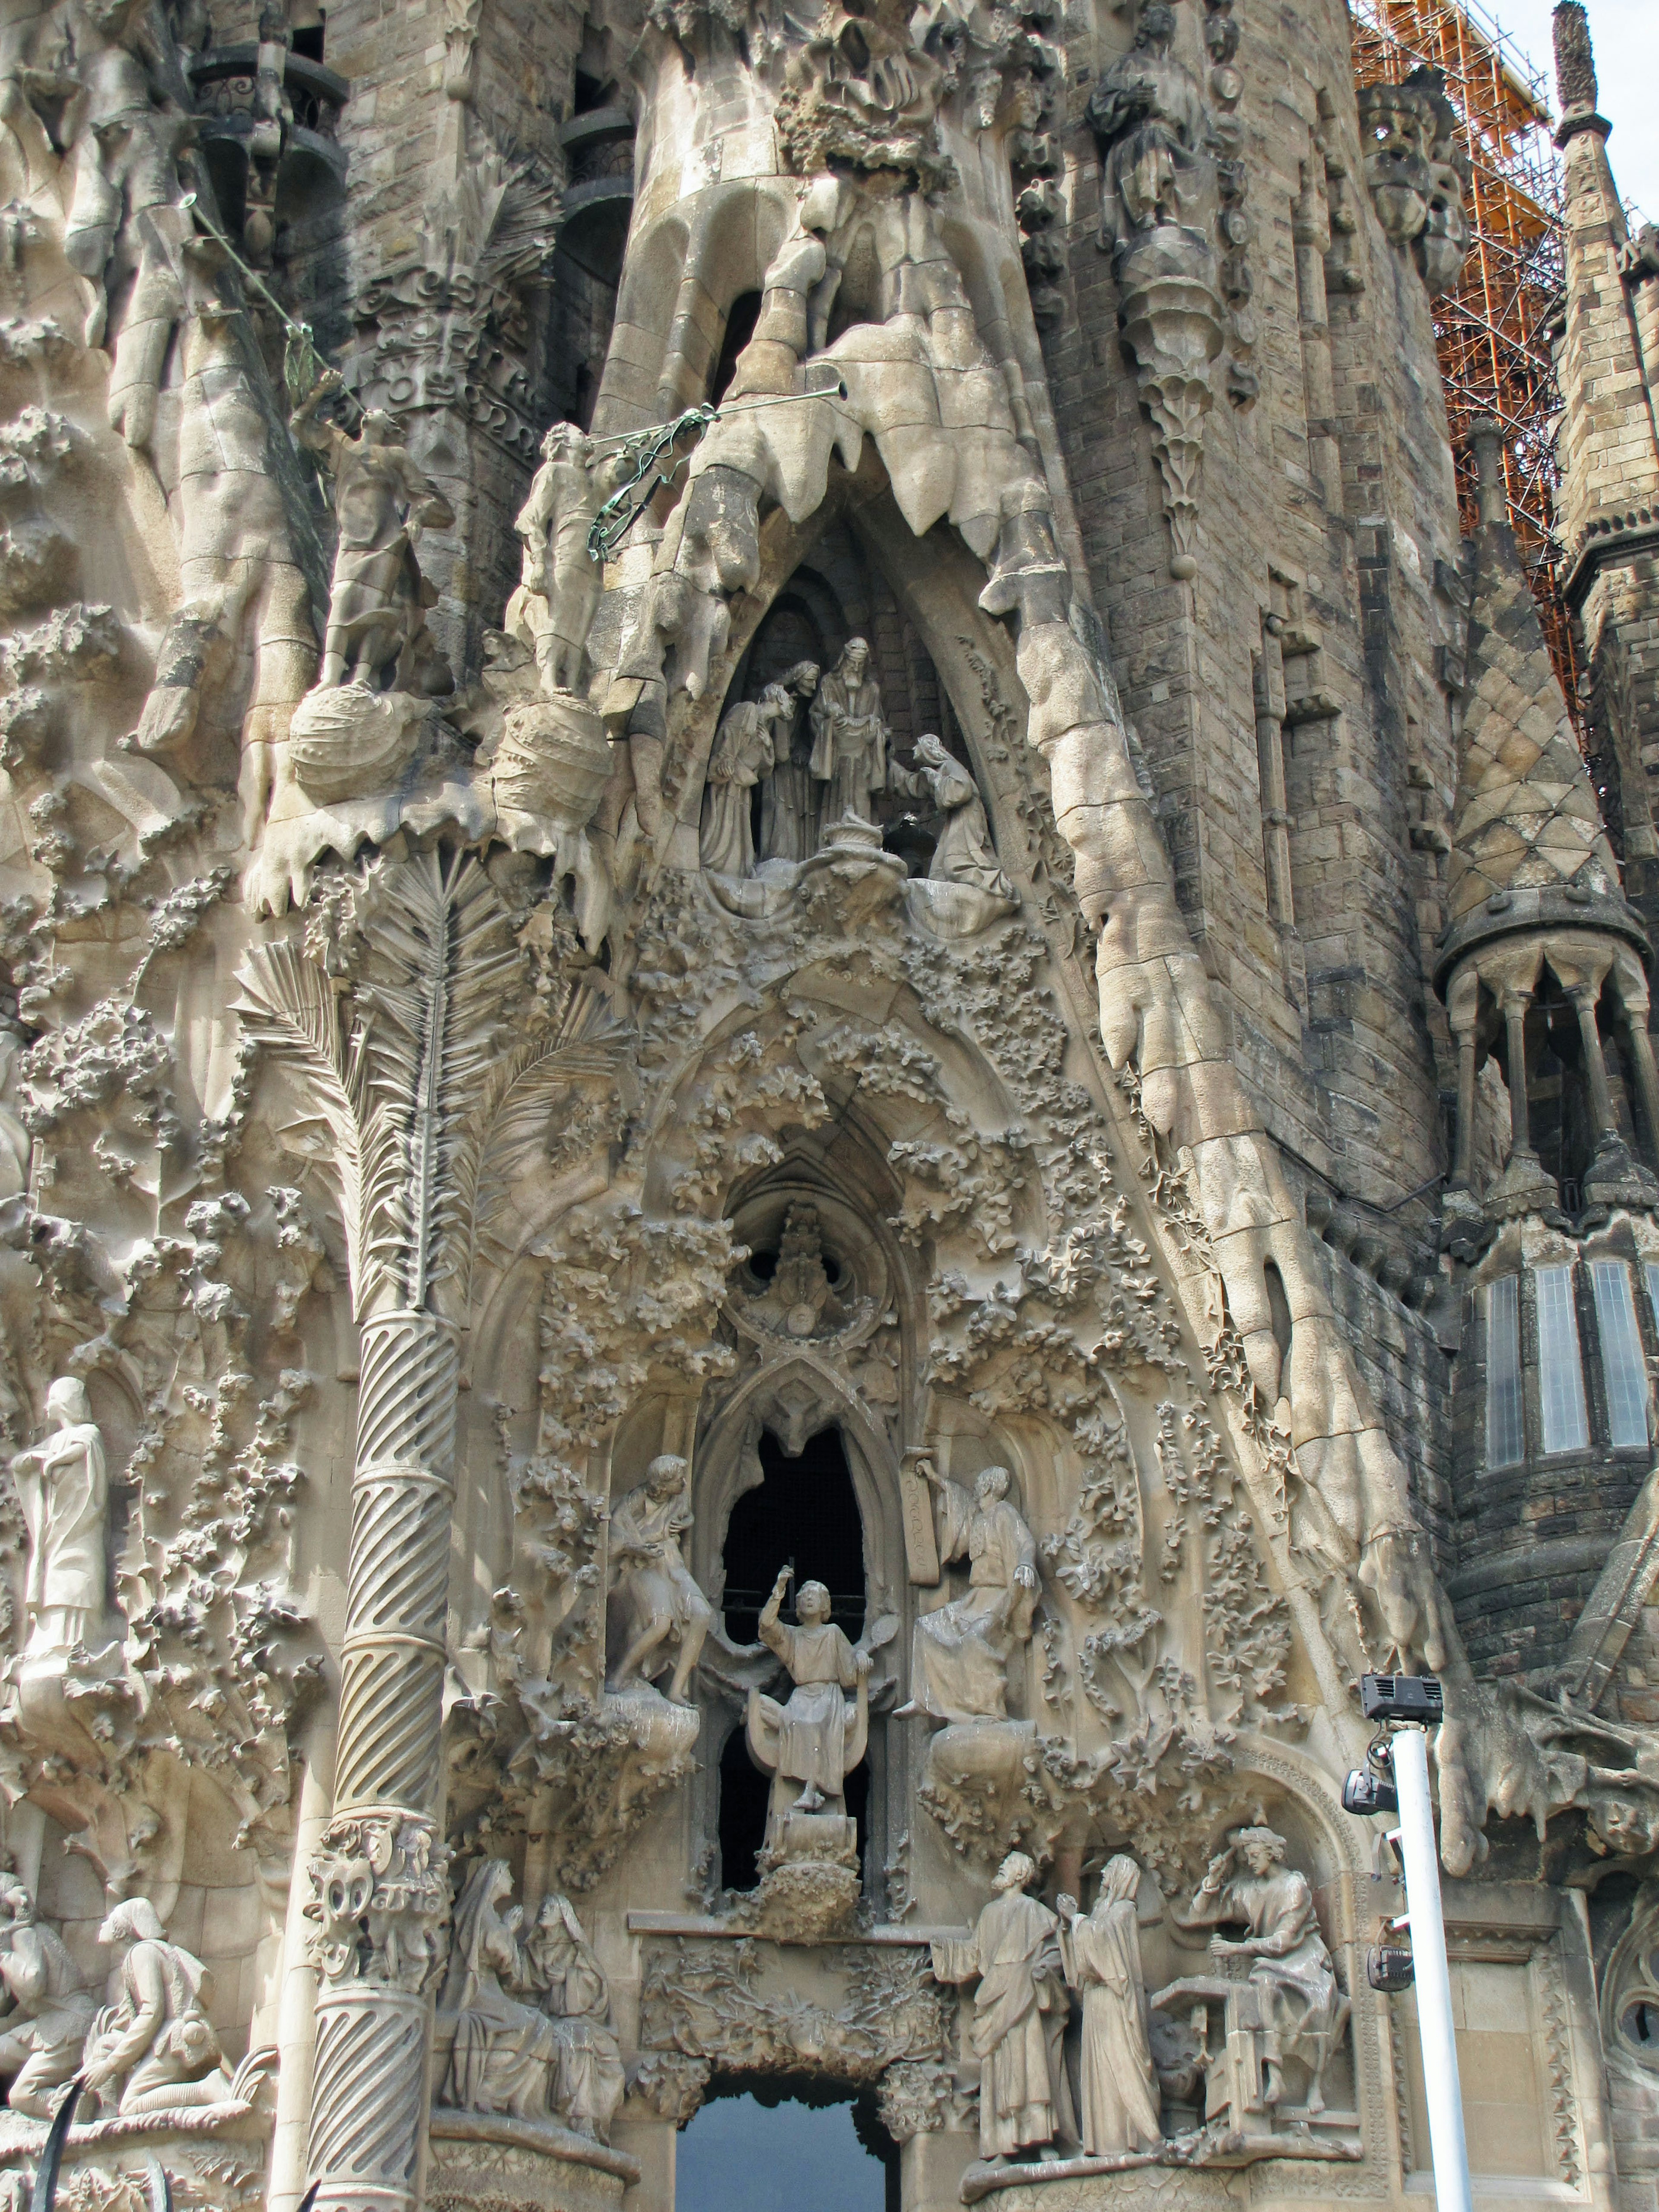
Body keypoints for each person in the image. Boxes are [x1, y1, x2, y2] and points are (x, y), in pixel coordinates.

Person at [292, 369, 455, 692]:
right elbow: (299, 425)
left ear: (390, 428)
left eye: (382, 412)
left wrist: (418, 518)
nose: (372, 411)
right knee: (342, 599)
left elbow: (440, 508)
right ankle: (330, 676)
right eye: (371, 411)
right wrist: (319, 391)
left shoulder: (395, 457)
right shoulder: (342, 446)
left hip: (386, 541)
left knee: (377, 609)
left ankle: (363, 677)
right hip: (352, 539)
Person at [1180, 1826, 1346, 2113]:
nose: (1251, 1861)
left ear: (1272, 1853)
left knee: (1320, 2003)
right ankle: (1276, 2075)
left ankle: (1316, 2085)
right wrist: (1212, 1882)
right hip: (1270, 1966)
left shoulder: (1295, 1886)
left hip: (1305, 1961)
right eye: (1247, 1856)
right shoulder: (1248, 1892)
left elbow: (1283, 1942)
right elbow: (1196, 1916)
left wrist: (1237, 1949)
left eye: (1256, 1855)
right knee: (1264, 1983)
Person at [931, 1852, 1074, 2165]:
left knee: (1032, 2066)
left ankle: (1041, 2140)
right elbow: (974, 1955)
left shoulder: (1036, 1913)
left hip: (1023, 1993)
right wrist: (943, 1950)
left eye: (1007, 1865)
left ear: (1020, 1874)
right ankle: (1002, 2143)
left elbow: (1056, 1955)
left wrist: (1041, 1971)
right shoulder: (990, 1914)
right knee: (1001, 2070)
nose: (1001, 1868)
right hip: (997, 1994)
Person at [899, 1465, 1039, 1724]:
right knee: (926, 1626)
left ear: (987, 1486)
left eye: (979, 1483)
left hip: (997, 1597)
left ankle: (989, 1709)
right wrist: (934, 1477)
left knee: (974, 1641)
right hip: (975, 1598)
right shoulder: (979, 1516)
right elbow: (959, 1497)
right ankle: (924, 1698)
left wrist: (1026, 1564)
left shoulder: (1004, 1513)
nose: (974, 1487)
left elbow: (1026, 1542)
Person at [82, 1899, 237, 2115]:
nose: (103, 1924)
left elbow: (152, 2013)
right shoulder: (151, 1952)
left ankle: (206, 2090)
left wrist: (109, 2066)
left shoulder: (142, 1952)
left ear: (122, 1930)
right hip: (175, 2036)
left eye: (112, 1918)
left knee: (131, 2105)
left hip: (175, 2040)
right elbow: (131, 2023)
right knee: (108, 2042)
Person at [746, 1570, 870, 1828]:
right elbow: (767, 1626)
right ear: (799, 1605)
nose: (810, 1599)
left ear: (825, 1604)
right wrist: (779, 1588)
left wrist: (860, 1657)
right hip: (802, 1696)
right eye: (805, 1596)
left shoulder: (833, 1633)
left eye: (816, 1595)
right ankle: (810, 1789)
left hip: (827, 1695)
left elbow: (850, 1668)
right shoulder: (793, 1636)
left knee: (819, 1722)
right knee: (793, 1721)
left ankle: (811, 1789)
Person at [1057, 1858, 1163, 2157]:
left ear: (1121, 1877)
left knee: (1122, 2064)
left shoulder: (1124, 1911)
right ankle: (1107, 2142)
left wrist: (1076, 1919)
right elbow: (1085, 1953)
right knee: (1100, 2070)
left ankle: (1145, 2136)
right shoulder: (1102, 1910)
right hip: (1096, 2001)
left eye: (1110, 1869)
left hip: (1116, 2002)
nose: (1103, 1874)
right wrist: (1069, 1927)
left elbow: (1104, 1946)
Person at [440, 1860, 562, 2119]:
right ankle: (488, 2090)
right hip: (475, 1992)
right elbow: (498, 1954)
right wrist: (508, 1929)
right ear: (495, 1877)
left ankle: (514, 2098)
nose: (512, 1881)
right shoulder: (477, 1912)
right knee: (524, 2023)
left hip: (491, 1990)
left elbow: (507, 1966)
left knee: (544, 2027)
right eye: (507, 1874)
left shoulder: (489, 1914)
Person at [508, 425, 616, 696]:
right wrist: (541, 561)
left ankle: (572, 684)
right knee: (558, 616)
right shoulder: (553, 472)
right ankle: (548, 678)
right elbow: (529, 519)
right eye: (580, 434)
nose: (588, 438)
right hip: (565, 555)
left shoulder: (591, 480)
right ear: (564, 442)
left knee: (581, 626)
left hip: (591, 563)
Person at [604, 1455, 714, 1705]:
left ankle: (676, 1690)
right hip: (641, 1565)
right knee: (661, 1622)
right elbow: (615, 1531)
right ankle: (618, 1675)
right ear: (661, 1485)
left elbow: (686, 1515)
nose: (685, 1484)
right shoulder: (636, 1499)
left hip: (671, 1564)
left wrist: (687, 1522)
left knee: (701, 1614)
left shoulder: (679, 1498)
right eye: (679, 1480)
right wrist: (636, 1547)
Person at [12, 1376, 107, 1660]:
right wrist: (33, 1460)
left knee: (76, 1572)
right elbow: (20, 1464)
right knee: (53, 1576)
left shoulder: (88, 1433)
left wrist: (55, 1460)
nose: (46, 1405)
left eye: (52, 1399)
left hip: (80, 1522)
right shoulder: (54, 1440)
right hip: (55, 1525)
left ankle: (79, 1641)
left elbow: (85, 1448)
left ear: (65, 1403)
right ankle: (49, 1640)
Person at [526, 1894, 625, 2142]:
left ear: (563, 1917)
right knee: (567, 2037)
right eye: (543, 1907)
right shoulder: (533, 1949)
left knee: (581, 2039)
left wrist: (568, 1979)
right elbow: (520, 1979)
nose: (544, 1911)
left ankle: (582, 2116)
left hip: (576, 2018)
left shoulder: (577, 1952)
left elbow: (595, 1986)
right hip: (540, 2017)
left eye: (550, 1907)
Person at [0, 1876, 95, 2118]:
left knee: (22, 2095)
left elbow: (33, 1984)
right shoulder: (35, 1931)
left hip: (71, 2025)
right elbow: (30, 2007)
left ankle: (68, 2107)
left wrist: (4, 1956)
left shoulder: (24, 1935)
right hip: (55, 2022)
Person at [888, 734, 1015, 898]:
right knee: (940, 871)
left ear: (928, 749)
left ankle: (999, 886)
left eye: (918, 745)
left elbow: (962, 789)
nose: (914, 748)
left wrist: (938, 781)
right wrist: (887, 763)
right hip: (956, 820)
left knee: (956, 864)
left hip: (966, 817)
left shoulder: (948, 765)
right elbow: (911, 784)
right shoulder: (936, 771)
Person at [700, 685, 791, 877]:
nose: (791, 703)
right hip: (728, 778)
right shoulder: (747, 710)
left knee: (738, 826)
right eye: (788, 698)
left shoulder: (764, 728)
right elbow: (729, 732)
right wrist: (726, 757)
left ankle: (735, 868)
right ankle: (715, 862)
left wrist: (768, 745)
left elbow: (765, 770)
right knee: (723, 823)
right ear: (777, 698)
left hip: (742, 784)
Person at [808, 638, 889, 831]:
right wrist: (829, 715)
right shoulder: (829, 683)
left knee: (861, 796)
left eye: (861, 664)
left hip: (863, 755)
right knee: (839, 795)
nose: (856, 668)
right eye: (853, 662)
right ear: (844, 660)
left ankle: (863, 834)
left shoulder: (872, 689)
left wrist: (874, 728)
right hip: (837, 754)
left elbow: (879, 722)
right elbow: (815, 716)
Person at [757, 661, 822, 863]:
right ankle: (776, 855)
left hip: (795, 770)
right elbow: (779, 747)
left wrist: (803, 750)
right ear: (797, 678)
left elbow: (806, 736)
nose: (813, 686)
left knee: (796, 815)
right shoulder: (777, 698)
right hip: (774, 766)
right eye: (810, 680)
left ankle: (796, 857)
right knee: (777, 809)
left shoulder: (803, 706)